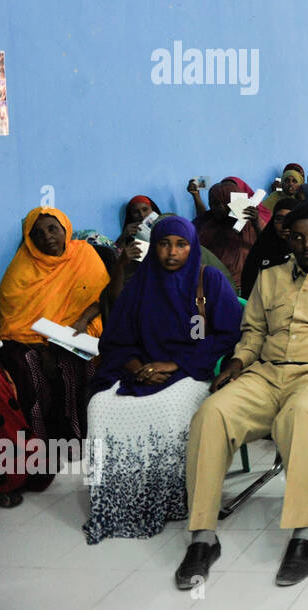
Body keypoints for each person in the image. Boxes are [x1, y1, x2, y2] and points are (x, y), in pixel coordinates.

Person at [175, 202, 308, 590]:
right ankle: (203, 536)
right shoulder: (269, 277)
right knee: (211, 413)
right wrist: (237, 364)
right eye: (299, 236)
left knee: (300, 415)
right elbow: (252, 332)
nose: (307, 244)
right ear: (287, 237)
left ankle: (304, 534)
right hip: (266, 373)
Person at [84, 216, 242, 543]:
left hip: (193, 370)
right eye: (164, 244)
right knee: (100, 406)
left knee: (168, 410)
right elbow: (115, 340)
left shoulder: (207, 280)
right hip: (140, 368)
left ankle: (170, 497)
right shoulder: (141, 283)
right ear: (153, 246)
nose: (172, 252)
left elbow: (228, 334)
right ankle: (117, 497)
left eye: (181, 244)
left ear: (192, 247)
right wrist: (135, 366)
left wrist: (173, 364)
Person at [0, 207, 110, 500]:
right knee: (28, 366)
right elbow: (12, 317)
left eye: (52, 229)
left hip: (75, 329)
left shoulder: (84, 254)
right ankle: (43, 443)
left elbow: (101, 296)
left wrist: (82, 322)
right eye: (38, 233)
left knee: (73, 362)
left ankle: (76, 436)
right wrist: (40, 342)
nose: (46, 237)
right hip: (28, 337)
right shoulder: (23, 267)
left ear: (65, 229)